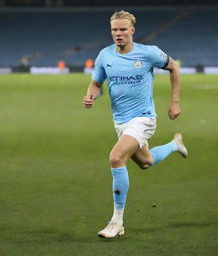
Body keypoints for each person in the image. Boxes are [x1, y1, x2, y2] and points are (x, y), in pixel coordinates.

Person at [83, 10, 188, 239]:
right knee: (146, 162)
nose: (118, 33)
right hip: (120, 121)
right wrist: (91, 95)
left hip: (144, 118)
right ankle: (174, 144)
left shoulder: (149, 53)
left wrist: (175, 101)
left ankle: (116, 222)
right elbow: (96, 84)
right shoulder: (104, 56)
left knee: (116, 157)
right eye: (114, 30)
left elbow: (174, 67)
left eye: (122, 29)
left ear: (132, 30)